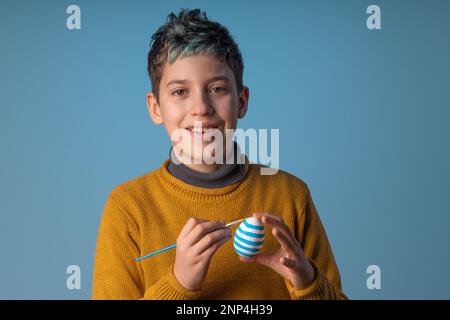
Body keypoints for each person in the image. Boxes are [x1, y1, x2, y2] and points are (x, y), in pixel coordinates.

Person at [92, 8, 348, 300]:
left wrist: (308, 282)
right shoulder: (128, 208)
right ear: (155, 108)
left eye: (216, 88)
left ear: (241, 102)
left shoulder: (291, 196)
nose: (201, 107)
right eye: (179, 92)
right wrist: (179, 283)